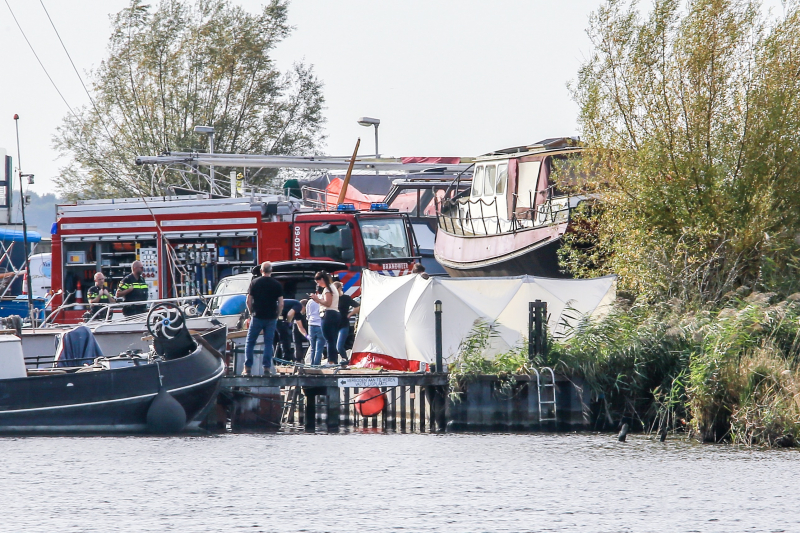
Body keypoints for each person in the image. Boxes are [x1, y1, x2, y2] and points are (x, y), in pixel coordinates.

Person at [244, 261, 284, 376]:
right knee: (268, 342)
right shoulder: (277, 284)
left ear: (261, 270)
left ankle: (247, 368)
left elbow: (248, 301)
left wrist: (252, 313)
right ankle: (267, 367)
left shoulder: (254, 283)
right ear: (271, 271)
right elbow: (281, 303)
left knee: (250, 342)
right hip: (271, 317)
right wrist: (277, 315)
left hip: (257, 316)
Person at [309, 271, 341, 365]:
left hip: (328, 314)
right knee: (333, 339)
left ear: (322, 279)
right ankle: (333, 360)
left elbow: (328, 303)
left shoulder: (327, 289)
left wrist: (317, 299)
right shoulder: (333, 287)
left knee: (329, 339)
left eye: (318, 282)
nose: (318, 284)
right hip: (335, 313)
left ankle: (331, 361)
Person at [333, 281, 360, 364]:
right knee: (332, 346)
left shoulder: (346, 298)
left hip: (343, 324)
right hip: (333, 324)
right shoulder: (331, 298)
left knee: (339, 346)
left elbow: (357, 306)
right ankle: (335, 361)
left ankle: (345, 360)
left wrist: (350, 314)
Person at [305, 288, 325, 365]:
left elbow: (308, 315)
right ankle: (317, 364)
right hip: (320, 324)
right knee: (319, 347)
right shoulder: (323, 300)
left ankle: (312, 363)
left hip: (311, 324)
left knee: (312, 347)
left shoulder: (310, 302)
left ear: (316, 291)